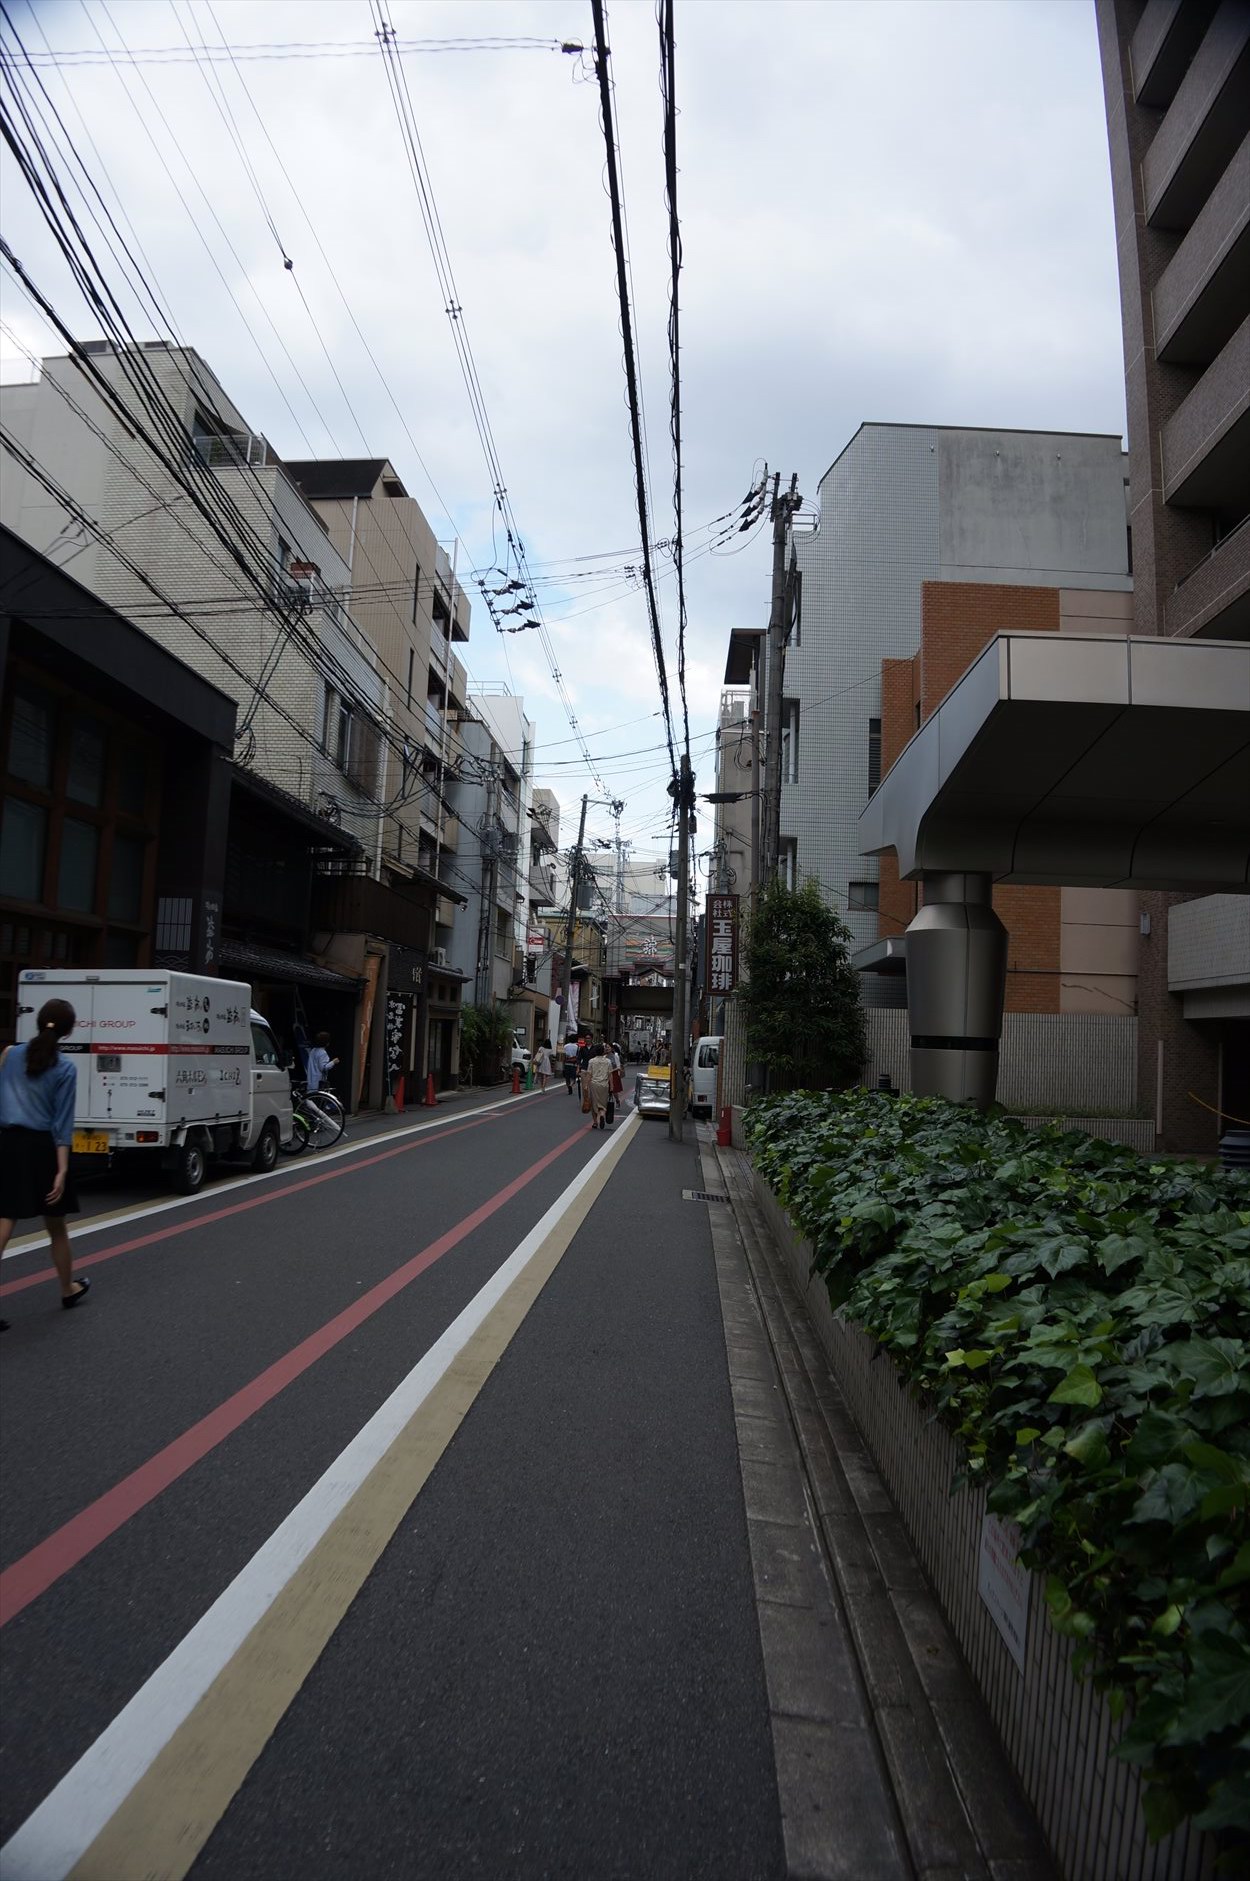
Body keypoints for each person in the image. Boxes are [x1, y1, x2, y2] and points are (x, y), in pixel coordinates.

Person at [0, 998, 90, 1329]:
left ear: (38, 1022)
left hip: (8, 1144)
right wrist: (62, 1170)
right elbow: (61, 1125)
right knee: (56, 1225)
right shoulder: (65, 1068)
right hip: (43, 1149)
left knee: (5, 1217)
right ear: (68, 1031)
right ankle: (68, 1289)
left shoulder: (9, 1054)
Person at [586, 1043, 614, 1131]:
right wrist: (612, 1086)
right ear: (603, 1052)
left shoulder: (591, 1061)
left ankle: (595, 1122)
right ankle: (602, 1115)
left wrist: (586, 1085)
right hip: (604, 1085)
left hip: (594, 1084)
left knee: (594, 1104)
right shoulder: (608, 1061)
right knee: (603, 1103)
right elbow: (610, 1075)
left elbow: (589, 1074)